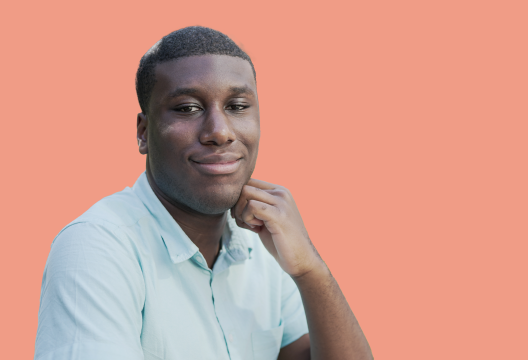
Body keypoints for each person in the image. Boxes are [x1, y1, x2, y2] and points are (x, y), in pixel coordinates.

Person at [34, 26, 372, 360]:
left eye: (237, 106)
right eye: (187, 108)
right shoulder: (96, 249)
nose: (220, 132)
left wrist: (309, 270)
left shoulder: (264, 245)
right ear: (143, 132)